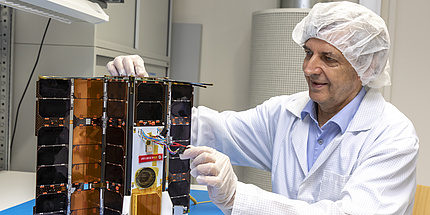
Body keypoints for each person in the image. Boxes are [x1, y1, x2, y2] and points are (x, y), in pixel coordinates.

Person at [107, 2, 419, 214]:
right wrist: (146, 98)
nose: (310, 68)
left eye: (328, 58)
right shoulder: (286, 113)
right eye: (308, 52)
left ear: (366, 66)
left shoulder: (393, 137)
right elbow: (215, 131)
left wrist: (236, 197)